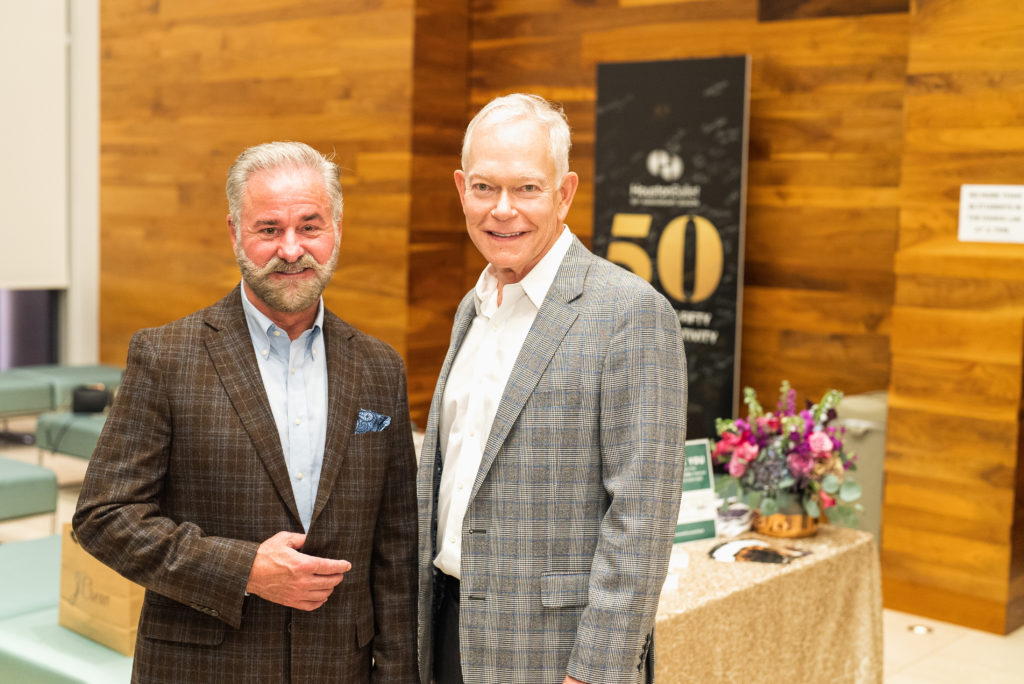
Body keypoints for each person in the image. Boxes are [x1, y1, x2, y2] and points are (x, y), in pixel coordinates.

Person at [73, 141, 418, 683]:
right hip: (202, 667)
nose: (291, 249)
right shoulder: (165, 357)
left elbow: (396, 547)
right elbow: (103, 516)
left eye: (309, 226)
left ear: (337, 229)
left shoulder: (380, 367)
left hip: (338, 667)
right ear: (235, 232)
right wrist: (245, 570)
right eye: (269, 229)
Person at [416, 94, 688, 684]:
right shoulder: (473, 307)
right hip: (450, 633)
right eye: (484, 187)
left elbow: (642, 519)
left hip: (556, 656)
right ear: (461, 189)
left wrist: (594, 671)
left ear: (564, 194)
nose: (502, 209)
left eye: (527, 188)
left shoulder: (631, 314)